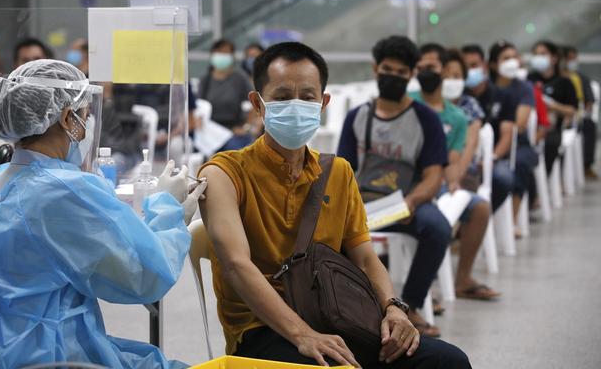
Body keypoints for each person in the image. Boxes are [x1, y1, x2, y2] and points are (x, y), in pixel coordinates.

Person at [199, 41, 470, 368]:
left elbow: (367, 259)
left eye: (308, 97)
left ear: (323, 103)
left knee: (448, 361)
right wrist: (302, 334)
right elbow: (236, 267)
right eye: (282, 97)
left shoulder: (337, 173)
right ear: (258, 104)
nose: (296, 106)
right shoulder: (225, 173)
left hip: (335, 316)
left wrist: (394, 308)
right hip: (262, 330)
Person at [0, 59, 207, 368]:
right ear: (67, 118)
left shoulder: (1, 178)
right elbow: (144, 277)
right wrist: (167, 210)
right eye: (86, 115)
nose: (88, 125)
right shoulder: (64, 190)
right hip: (44, 353)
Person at [338, 36, 451, 338]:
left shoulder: (425, 119)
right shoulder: (357, 117)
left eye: (402, 72)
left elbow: (433, 175)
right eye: (388, 69)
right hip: (362, 203)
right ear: (376, 69)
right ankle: (352, 307)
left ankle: (409, 305)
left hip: (407, 202)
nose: (394, 76)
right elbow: (342, 172)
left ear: (411, 74)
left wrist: (411, 203)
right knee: (330, 233)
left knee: (438, 228)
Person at [411, 45, 499, 301]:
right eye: (423, 68)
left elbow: (454, 158)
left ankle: (461, 279)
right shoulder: (410, 104)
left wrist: (451, 182)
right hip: (410, 183)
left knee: (478, 207)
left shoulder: (458, 117)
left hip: (439, 181)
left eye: (434, 68)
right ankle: (419, 293)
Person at [485, 41, 538, 235]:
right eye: (506, 58)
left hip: (517, 143)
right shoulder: (486, 87)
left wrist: (503, 140)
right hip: (486, 145)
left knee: (522, 164)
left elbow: (520, 124)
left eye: (514, 57)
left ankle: (512, 221)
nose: (512, 62)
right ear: (493, 64)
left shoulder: (523, 88)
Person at [461, 44, 515, 214]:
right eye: (466, 67)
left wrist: (491, 158)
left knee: (503, 178)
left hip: (494, 157)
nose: (471, 71)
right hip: (462, 157)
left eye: (474, 65)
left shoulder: (502, 95)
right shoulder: (459, 97)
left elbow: (507, 134)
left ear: (484, 66)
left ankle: (483, 220)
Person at [527, 40, 578, 175]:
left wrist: (552, 106)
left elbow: (572, 110)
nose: (539, 58)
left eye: (543, 54)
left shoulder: (564, 82)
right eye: (536, 54)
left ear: (554, 58)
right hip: (532, 125)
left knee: (550, 144)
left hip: (554, 127)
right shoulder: (529, 79)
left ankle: (545, 176)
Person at [199, 39, 257, 151]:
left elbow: (253, 104)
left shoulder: (240, 79)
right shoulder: (206, 80)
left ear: (232, 56)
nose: (222, 56)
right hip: (209, 132)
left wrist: (246, 127)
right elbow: (199, 107)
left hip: (233, 131)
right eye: (219, 52)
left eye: (226, 53)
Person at [562, 45, 597, 179]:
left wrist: (580, 114)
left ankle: (586, 165)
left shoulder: (581, 78)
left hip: (577, 115)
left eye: (574, 58)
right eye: (569, 58)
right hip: (561, 115)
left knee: (589, 125)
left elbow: (589, 100)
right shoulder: (559, 78)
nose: (572, 61)